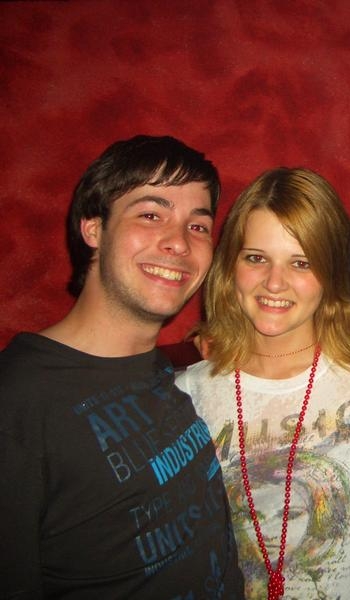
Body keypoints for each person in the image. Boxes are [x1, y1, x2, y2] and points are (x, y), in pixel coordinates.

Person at [0, 135, 244, 598]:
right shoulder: (18, 401)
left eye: (197, 226)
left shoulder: (156, 373)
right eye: (151, 215)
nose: (179, 243)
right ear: (94, 228)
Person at [175, 167, 350, 600]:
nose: (274, 282)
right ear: (231, 265)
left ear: (331, 272)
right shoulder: (188, 395)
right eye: (256, 258)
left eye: (301, 263)